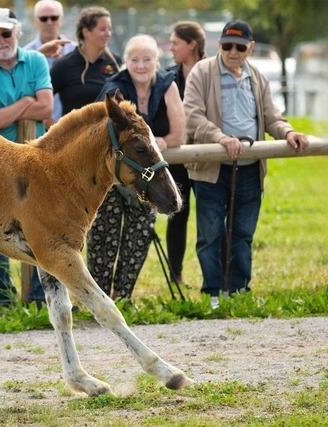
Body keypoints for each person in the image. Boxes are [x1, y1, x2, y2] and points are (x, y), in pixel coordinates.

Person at [183, 20, 308, 308]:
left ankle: (238, 293)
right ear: (220, 45)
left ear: (250, 48)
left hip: (250, 168)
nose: (233, 52)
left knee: (242, 234)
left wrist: (288, 132)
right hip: (212, 167)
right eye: (227, 45)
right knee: (210, 234)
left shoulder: (257, 78)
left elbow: (272, 117)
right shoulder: (202, 72)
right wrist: (221, 138)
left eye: (240, 47)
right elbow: (192, 115)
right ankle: (212, 294)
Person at [0, 8, 53, 307]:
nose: (1, 39)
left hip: (37, 160)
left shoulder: (37, 60)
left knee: (41, 226)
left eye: (6, 33)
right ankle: (4, 299)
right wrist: (27, 102)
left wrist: (15, 111)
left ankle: (40, 296)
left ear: (17, 32)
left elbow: (47, 109)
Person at [92, 34, 185, 300]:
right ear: (125, 62)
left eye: (147, 59)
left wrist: (161, 142)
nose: (141, 65)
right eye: (135, 59)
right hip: (116, 173)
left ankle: (123, 297)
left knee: (140, 233)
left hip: (149, 175)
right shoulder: (114, 87)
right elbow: (103, 133)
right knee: (104, 235)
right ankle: (98, 299)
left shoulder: (167, 84)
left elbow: (179, 134)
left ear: (157, 61)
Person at [165, 21, 206, 285]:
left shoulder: (212, 72)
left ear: (191, 44)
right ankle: (176, 274)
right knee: (178, 215)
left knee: (209, 217)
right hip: (179, 157)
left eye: (175, 43)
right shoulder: (168, 77)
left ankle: (211, 278)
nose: (171, 48)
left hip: (207, 155)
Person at [50, 6, 119, 117]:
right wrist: (52, 126)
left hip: (108, 134)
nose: (108, 33)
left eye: (109, 29)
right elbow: (42, 98)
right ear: (86, 32)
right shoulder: (64, 65)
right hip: (73, 133)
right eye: (102, 29)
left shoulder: (116, 63)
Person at [24, 0, 75, 124]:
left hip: (73, 128)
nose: (49, 22)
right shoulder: (26, 55)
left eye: (54, 17)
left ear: (61, 20)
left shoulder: (76, 51)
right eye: (43, 19)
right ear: (36, 21)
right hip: (38, 126)